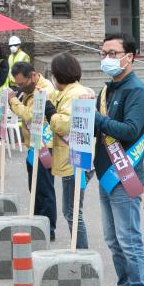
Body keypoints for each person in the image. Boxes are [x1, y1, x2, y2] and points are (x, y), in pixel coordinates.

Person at [94, 33, 144, 286]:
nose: (107, 58)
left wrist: (96, 120)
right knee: (113, 239)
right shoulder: (106, 91)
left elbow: (130, 130)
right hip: (105, 173)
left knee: (129, 240)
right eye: (104, 53)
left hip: (125, 173)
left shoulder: (137, 91)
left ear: (129, 57)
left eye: (113, 53)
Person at [7, 61, 57, 240]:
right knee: (34, 186)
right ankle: (37, 223)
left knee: (44, 188)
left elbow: (30, 115)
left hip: (44, 145)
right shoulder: (30, 89)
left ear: (33, 76)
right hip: (33, 145)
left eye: (22, 84)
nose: (20, 87)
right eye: (17, 84)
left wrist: (12, 99)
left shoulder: (43, 91)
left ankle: (48, 227)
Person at [46, 53, 90, 248]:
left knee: (72, 212)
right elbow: (53, 98)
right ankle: (78, 250)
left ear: (58, 75)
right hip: (74, 158)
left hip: (74, 160)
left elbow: (64, 125)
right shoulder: (69, 92)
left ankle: (81, 253)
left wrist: (50, 113)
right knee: (72, 210)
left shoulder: (74, 94)